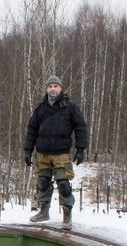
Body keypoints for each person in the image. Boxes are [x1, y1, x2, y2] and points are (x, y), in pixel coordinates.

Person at [24, 75, 88, 229]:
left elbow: (80, 127)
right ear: (47, 89)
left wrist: (81, 149)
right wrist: (27, 150)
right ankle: (44, 212)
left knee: (63, 184)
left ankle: (67, 216)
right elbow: (32, 129)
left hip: (61, 153)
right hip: (42, 154)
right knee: (42, 183)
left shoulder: (70, 106)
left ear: (61, 88)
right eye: (50, 86)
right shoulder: (41, 108)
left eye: (55, 86)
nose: (53, 89)